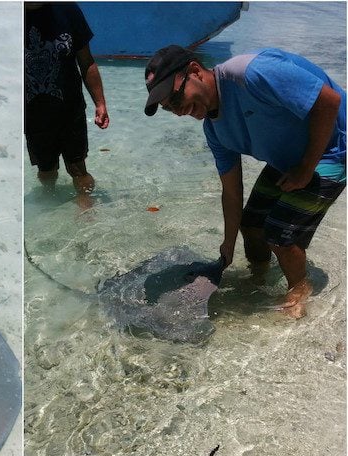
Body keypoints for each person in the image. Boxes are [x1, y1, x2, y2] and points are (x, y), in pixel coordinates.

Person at [144, 45, 346, 318]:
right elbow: (231, 190)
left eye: (176, 99)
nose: (179, 112)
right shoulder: (215, 131)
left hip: (332, 148)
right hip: (289, 158)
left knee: (278, 234)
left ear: (194, 71)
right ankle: (258, 275)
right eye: (170, 109)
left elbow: (329, 101)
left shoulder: (250, 73)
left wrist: (305, 169)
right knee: (251, 225)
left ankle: (299, 288)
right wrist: (227, 245)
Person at [24, 2, 109, 207]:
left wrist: (100, 103)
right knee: (46, 171)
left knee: (78, 168)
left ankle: (88, 215)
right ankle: (49, 206)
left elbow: (86, 62)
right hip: (33, 115)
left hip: (69, 112)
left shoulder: (67, 9)